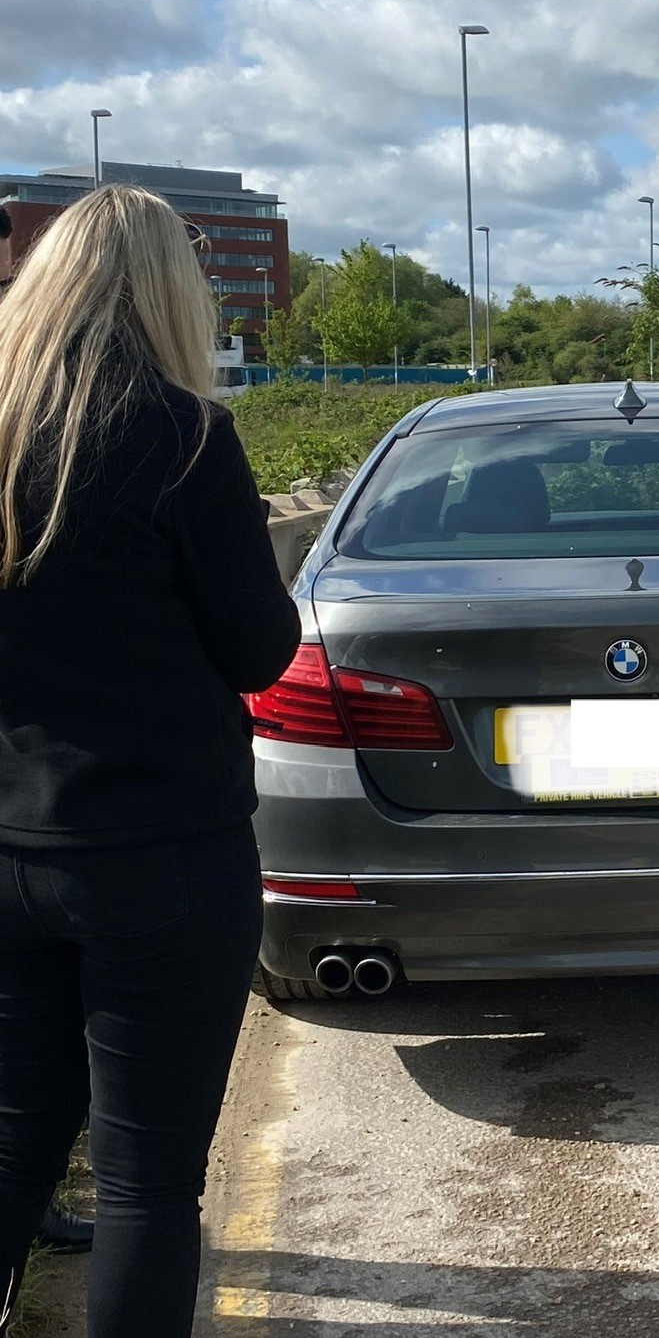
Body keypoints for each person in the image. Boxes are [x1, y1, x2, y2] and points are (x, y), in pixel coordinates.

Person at [0, 184, 302, 1335]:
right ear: (168, 290)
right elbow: (260, 647)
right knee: (143, 1182)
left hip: (11, 852)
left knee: (16, 1143)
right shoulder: (180, 434)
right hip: (160, 858)